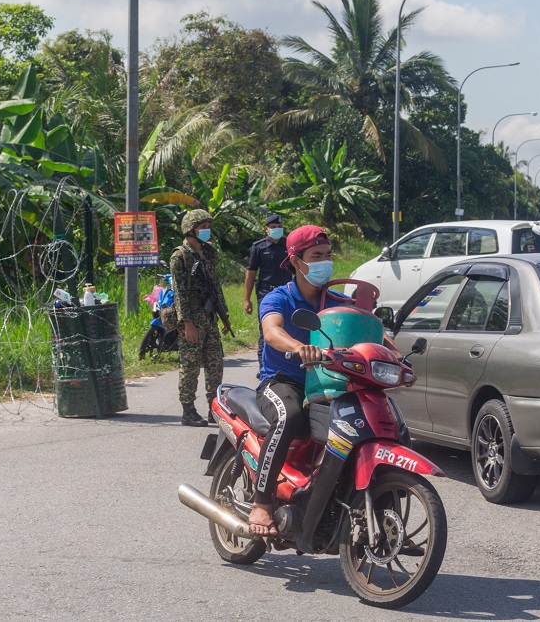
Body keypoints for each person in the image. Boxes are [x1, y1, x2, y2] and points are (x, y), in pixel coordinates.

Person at [247, 225, 400, 536]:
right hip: (283, 380)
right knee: (289, 418)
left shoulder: (337, 301)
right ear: (295, 260)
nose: (324, 262)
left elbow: (371, 331)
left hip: (330, 385)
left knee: (390, 424)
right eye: (316, 256)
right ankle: (262, 502)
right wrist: (299, 347)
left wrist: (395, 354)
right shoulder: (280, 297)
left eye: (328, 255)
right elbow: (272, 331)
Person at [170, 209, 232, 427]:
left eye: (208, 226)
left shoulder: (207, 253)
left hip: (209, 316)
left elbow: (216, 287)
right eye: (202, 227)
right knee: (190, 366)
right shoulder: (180, 256)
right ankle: (188, 410)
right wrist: (187, 323)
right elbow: (179, 293)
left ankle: (214, 408)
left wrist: (224, 316)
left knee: (215, 364)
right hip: (192, 319)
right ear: (190, 229)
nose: (207, 231)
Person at [243, 214, 294, 373]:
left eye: (279, 227)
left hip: (287, 292)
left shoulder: (289, 245)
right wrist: (247, 299)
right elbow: (250, 273)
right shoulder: (258, 247)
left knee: (289, 329)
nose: (277, 230)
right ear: (266, 229)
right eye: (273, 227)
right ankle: (264, 367)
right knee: (266, 330)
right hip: (266, 293)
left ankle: (286, 367)